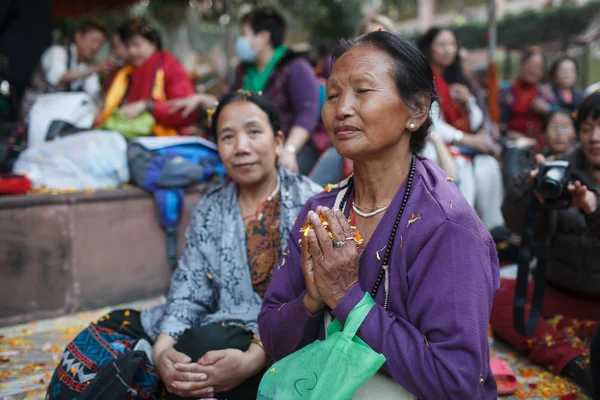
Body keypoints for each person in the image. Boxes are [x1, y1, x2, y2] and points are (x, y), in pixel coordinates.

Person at [258, 32, 500, 399]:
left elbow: (456, 382)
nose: (341, 109)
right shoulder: (319, 213)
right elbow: (274, 340)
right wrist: (311, 300)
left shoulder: (448, 228)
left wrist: (347, 298)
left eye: (363, 91)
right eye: (334, 94)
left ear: (417, 110)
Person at [45, 92, 322, 400]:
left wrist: (257, 356)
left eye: (254, 132)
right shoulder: (211, 207)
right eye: (227, 137)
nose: (242, 147)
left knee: (201, 348)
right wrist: (163, 348)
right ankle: (154, 367)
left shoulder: (311, 203)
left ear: (278, 141)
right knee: (108, 330)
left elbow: (315, 299)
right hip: (217, 321)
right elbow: (190, 287)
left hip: (279, 337)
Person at [491, 92, 600, 397]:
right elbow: (519, 226)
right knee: (494, 293)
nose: (595, 138)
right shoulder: (560, 170)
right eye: (588, 129)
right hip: (556, 290)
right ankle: (576, 363)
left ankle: (574, 336)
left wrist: (593, 211)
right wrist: (527, 192)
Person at [169, 7, 320, 174]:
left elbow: (307, 114)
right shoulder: (246, 70)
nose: (239, 40)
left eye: (243, 34)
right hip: (253, 145)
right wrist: (201, 100)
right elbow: (233, 100)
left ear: (263, 37)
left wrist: (289, 150)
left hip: (291, 146)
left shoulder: (295, 66)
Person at [418, 27, 504, 230]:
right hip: (436, 143)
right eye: (441, 45)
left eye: (451, 45)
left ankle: (492, 229)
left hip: (464, 146)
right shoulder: (423, 77)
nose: (448, 50)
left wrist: (468, 102)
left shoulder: (459, 77)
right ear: (429, 48)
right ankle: (462, 229)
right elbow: (430, 121)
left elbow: (476, 122)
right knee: (461, 168)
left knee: (488, 167)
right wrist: (467, 139)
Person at [96, 19, 198, 136]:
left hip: (162, 140)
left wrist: (148, 106)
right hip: (125, 134)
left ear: (153, 43)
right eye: (128, 46)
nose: (132, 51)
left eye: (137, 45)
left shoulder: (171, 69)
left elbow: (184, 113)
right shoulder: (124, 72)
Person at [19, 20, 115, 122]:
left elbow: (93, 94)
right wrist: (93, 69)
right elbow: (58, 78)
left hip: (60, 117)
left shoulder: (88, 67)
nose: (96, 47)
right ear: (78, 36)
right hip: (35, 114)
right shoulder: (57, 52)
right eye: (93, 40)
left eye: (100, 44)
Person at [500, 47, 558, 183]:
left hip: (540, 145)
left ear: (543, 72)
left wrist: (547, 109)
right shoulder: (506, 90)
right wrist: (510, 133)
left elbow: (560, 117)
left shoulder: (546, 93)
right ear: (521, 65)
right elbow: (495, 123)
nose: (533, 70)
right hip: (513, 144)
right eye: (530, 65)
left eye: (538, 67)